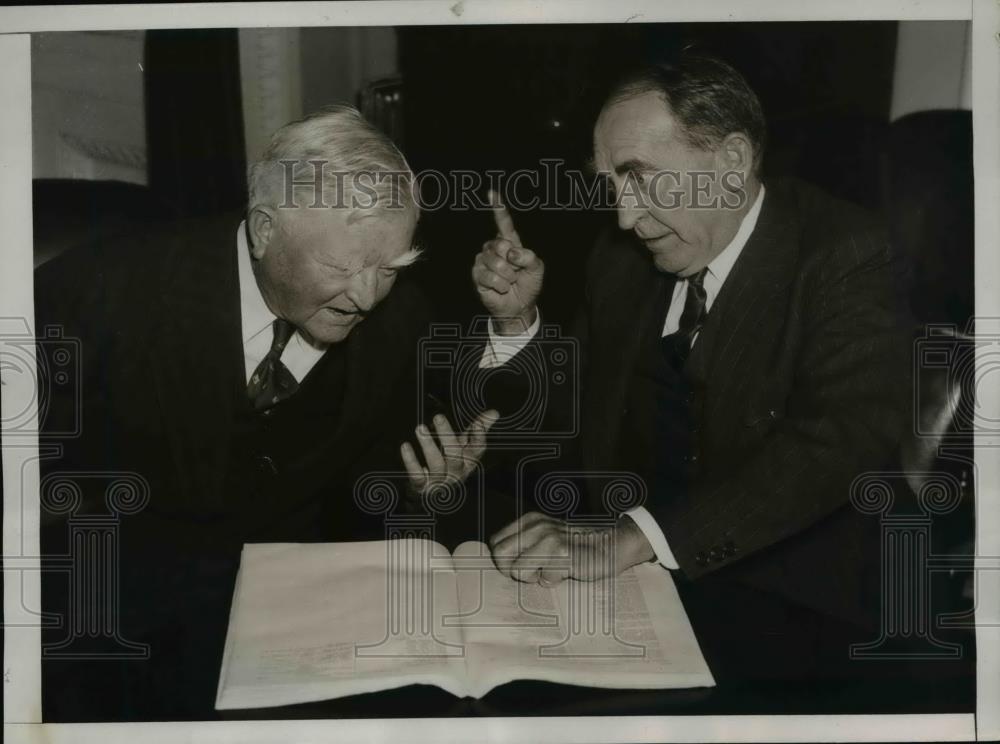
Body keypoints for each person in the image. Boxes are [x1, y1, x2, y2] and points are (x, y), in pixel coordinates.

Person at [35, 106, 493, 719]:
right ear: (262, 229)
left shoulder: (398, 320)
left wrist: (417, 490)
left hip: (296, 631)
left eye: (390, 269)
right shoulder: (97, 296)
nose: (366, 297)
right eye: (339, 267)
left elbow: (363, 476)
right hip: (110, 636)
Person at [472, 55, 911, 675]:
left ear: (731, 164)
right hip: (636, 593)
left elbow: (836, 444)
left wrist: (637, 539)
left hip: (803, 608)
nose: (624, 217)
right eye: (611, 187)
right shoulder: (621, 259)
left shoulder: (849, 255)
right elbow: (578, 415)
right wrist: (519, 323)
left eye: (640, 178)